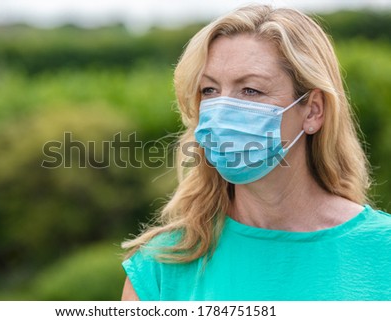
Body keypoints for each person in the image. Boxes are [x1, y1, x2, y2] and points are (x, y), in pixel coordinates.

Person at [120, 5, 391, 300]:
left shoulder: (381, 251)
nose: (222, 111)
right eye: (209, 90)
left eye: (250, 90)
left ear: (313, 110)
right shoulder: (159, 268)